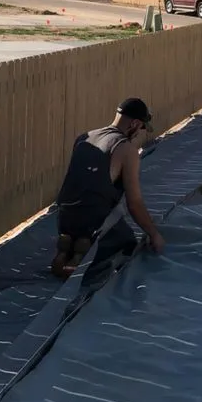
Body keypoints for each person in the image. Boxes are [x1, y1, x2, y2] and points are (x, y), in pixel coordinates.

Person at [52, 98, 165, 284]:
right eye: (141, 129)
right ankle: (85, 254)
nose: (139, 134)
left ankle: (69, 246)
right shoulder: (126, 149)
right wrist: (154, 234)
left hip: (65, 218)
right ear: (135, 124)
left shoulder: (84, 137)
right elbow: (134, 203)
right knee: (127, 243)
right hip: (94, 219)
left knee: (80, 219)